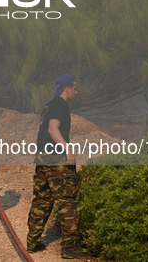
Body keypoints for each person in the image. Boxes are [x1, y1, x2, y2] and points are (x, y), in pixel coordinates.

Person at [26, 74, 90, 259]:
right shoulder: (61, 104)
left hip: (42, 159)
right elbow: (52, 129)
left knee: (42, 200)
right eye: (75, 88)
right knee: (68, 203)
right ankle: (69, 249)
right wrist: (68, 149)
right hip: (56, 161)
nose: (76, 92)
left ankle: (33, 242)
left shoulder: (49, 104)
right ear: (67, 88)